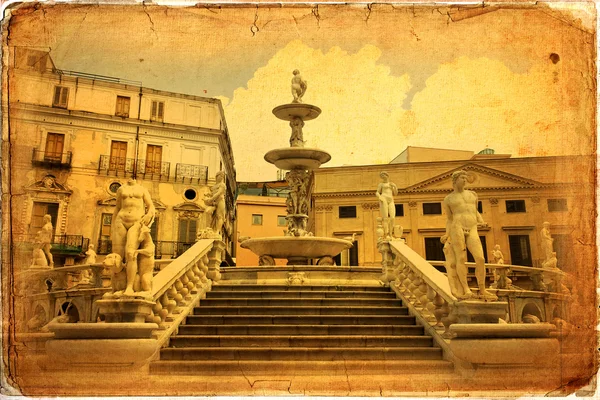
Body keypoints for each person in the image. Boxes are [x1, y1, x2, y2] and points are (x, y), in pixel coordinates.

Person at [443, 171, 497, 301]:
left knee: (480, 258)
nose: (465, 180)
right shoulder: (449, 199)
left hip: (472, 227)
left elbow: (475, 210)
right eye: (462, 178)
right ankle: (466, 289)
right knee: (460, 258)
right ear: (455, 180)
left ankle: (482, 289)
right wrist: (447, 234)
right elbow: (450, 219)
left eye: (466, 178)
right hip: (457, 227)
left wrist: (481, 221)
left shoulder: (473, 195)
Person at [111, 178, 155, 296]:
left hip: (136, 221)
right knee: (118, 256)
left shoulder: (142, 189)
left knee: (131, 253)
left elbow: (151, 206)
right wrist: (112, 226)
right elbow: (117, 208)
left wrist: (149, 214)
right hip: (120, 220)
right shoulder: (121, 189)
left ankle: (130, 287)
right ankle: (117, 287)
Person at [376, 172, 398, 240]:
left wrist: (395, 186)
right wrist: (380, 197)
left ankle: (391, 234)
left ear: (387, 176)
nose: (383, 177)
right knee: (385, 218)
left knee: (392, 218)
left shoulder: (391, 184)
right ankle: (387, 234)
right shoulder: (381, 184)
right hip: (384, 199)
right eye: (381, 176)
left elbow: (395, 193)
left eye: (383, 176)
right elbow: (377, 192)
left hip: (391, 200)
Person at [204, 171, 226, 236]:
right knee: (208, 211)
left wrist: (211, 198)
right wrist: (208, 195)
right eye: (220, 176)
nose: (221, 177)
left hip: (220, 201)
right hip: (213, 203)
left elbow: (219, 193)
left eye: (222, 176)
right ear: (216, 177)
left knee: (220, 216)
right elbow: (213, 193)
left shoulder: (222, 185)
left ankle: (217, 231)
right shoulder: (214, 186)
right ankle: (210, 228)